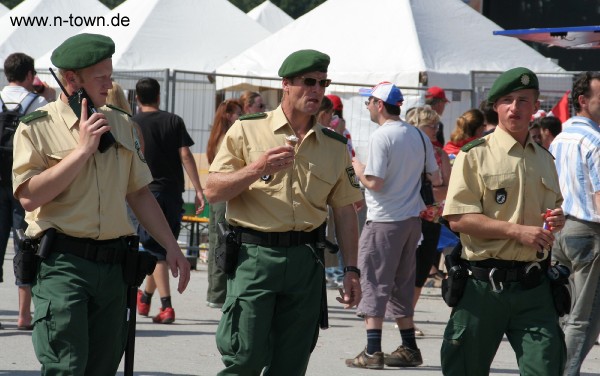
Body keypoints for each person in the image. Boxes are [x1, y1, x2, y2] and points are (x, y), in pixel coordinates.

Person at [12, 33, 191, 375]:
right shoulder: (36, 127)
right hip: (63, 264)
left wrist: (172, 247)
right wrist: (81, 151)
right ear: (71, 80)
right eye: (101, 77)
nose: (110, 84)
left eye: (110, 74)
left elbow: (138, 192)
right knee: (67, 366)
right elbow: (30, 195)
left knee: (102, 367)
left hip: (112, 269)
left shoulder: (122, 124)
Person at [204, 49, 362, 375]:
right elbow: (213, 190)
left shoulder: (333, 145)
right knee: (243, 357)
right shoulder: (248, 130)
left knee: (292, 363)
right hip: (254, 256)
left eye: (322, 82)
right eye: (308, 82)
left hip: (306, 260)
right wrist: (256, 168)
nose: (317, 90)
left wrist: (351, 270)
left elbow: (345, 212)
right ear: (286, 84)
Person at [440, 67, 566, 375]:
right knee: (464, 369)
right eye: (507, 100)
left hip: (534, 288)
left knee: (547, 367)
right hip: (483, 288)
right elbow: (457, 218)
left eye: (523, 100)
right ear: (495, 107)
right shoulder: (474, 155)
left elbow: (553, 210)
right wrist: (516, 231)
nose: (515, 107)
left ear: (535, 105)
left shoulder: (545, 159)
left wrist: (557, 219)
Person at [347, 82, 441, 369]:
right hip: (412, 221)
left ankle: (372, 350)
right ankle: (409, 347)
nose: (367, 107)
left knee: (374, 282)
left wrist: (357, 168)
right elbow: (434, 178)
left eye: (369, 102)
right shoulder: (417, 135)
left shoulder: (381, 137)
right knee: (402, 284)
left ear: (378, 104)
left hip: (384, 221)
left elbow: (375, 182)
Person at [134, 77, 204, 324]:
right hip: (173, 193)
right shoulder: (174, 121)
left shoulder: (133, 122)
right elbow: (185, 155)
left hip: (146, 193)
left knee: (157, 252)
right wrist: (198, 189)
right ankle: (144, 297)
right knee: (161, 248)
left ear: (137, 98)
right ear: (159, 95)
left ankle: (166, 306)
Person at [549, 71, 600, 376]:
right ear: (583, 100)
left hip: (561, 229)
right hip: (588, 231)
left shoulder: (561, 136)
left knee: (564, 313)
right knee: (584, 315)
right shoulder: (595, 139)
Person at [1, 52, 48, 330]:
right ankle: (23, 315)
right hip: (23, 184)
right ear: (31, 75)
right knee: (24, 245)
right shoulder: (39, 101)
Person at [405, 107, 451, 318]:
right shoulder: (405, 150)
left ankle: (407, 316)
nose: (435, 129)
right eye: (429, 125)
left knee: (422, 270)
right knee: (402, 269)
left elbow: (447, 190)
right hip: (406, 216)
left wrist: (427, 191)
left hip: (431, 218)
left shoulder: (440, 153)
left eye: (436, 125)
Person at [205, 99, 242, 308]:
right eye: (238, 113)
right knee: (221, 244)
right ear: (228, 115)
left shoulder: (220, 135)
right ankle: (217, 294)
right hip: (223, 196)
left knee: (220, 242)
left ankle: (218, 293)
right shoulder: (224, 137)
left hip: (222, 195)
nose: (241, 116)